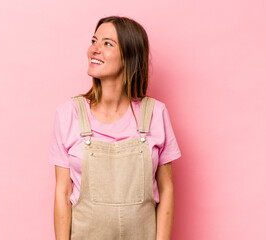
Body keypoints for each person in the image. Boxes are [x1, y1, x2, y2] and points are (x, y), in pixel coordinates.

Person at [48, 16, 182, 240]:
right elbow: (62, 193)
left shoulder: (156, 113)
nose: (94, 49)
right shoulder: (68, 114)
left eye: (107, 43)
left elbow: (166, 188)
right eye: (94, 40)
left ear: (129, 57)